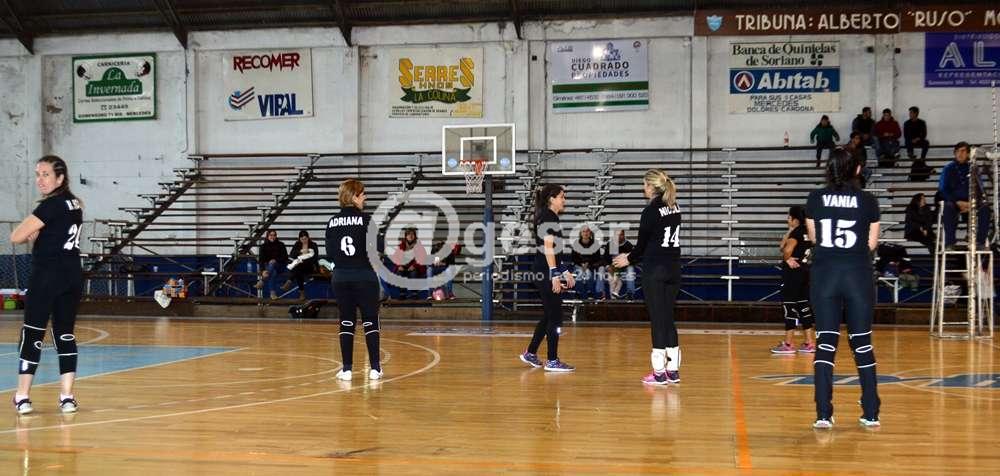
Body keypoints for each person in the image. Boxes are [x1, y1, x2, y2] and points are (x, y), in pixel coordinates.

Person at [805, 148, 881, 429]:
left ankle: (823, 413)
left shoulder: (815, 198)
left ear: (829, 168)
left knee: (825, 344)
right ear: (857, 170)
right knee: (862, 344)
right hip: (857, 276)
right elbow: (871, 244)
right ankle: (871, 412)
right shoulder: (868, 200)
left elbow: (814, 238)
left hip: (825, 276)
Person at [9, 155, 84, 414]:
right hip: (72, 276)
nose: (40, 180)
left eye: (46, 174)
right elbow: (56, 233)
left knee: (33, 333)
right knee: (65, 334)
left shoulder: (50, 206)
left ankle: (22, 396)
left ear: (60, 178)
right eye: (37, 174)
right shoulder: (76, 203)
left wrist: (33, 232)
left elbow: (16, 236)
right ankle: (67, 397)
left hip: (47, 277)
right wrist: (39, 234)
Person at [613, 169, 683, 385]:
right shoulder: (674, 206)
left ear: (652, 187)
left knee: (658, 320)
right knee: (668, 318)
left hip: (656, 270)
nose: (643, 189)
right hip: (674, 269)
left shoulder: (650, 210)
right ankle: (673, 371)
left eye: (644, 185)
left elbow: (641, 246)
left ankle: (659, 372)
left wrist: (628, 259)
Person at [326, 179, 383, 381]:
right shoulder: (367, 220)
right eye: (362, 194)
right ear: (354, 196)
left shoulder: (332, 222)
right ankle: (375, 368)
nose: (365, 197)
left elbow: (330, 253)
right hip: (364, 276)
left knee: (346, 321)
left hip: (340, 277)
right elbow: (380, 247)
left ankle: (347, 369)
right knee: (370, 320)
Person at [519, 184, 576, 372]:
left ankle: (531, 353)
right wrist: (554, 274)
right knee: (555, 316)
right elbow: (548, 247)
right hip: (545, 271)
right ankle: (552, 360)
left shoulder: (549, 216)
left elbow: (556, 251)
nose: (564, 200)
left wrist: (564, 270)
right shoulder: (548, 217)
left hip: (545, 269)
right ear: (552, 199)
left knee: (550, 314)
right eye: (562, 196)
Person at [770, 205, 816, 354]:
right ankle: (809, 343)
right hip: (804, 273)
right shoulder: (807, 232)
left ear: (795, 219)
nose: (787, 219)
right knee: (803, 306)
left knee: (789, 306)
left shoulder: (796, 233)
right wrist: (790, 230)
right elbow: (782, 246)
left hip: (792, 274)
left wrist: (787, 259)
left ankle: (788, 344)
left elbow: (786, 249)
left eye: (789, 217)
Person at [939, 142, 990, 250]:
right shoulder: (948, 168)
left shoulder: (973, 167)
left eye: (963, 151)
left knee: (985, 208)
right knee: (948, 207)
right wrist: (956, 201)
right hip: (954, 202)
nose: (960, 154)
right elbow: (943, 189)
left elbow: (980, 188)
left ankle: (980, 242)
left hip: (972, 201)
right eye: (957, 151)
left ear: (968, 154)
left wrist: (973, 202)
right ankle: (950, 243)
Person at [600, 230, 637, 300]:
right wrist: (608, 266)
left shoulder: (628, 245)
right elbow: (605, 258)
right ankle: (606, 296)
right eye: (617, 235)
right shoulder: (610, 244)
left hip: (625, 266)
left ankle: (630, 293)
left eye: (621, 235)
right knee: (610, 276)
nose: (619, 237)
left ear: (624, 236)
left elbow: (634, 259)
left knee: (630, 269)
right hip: (613, 266)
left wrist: (626, 262)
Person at [392, 228, 427, 299]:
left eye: (412, 234)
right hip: (403, 266)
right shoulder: (401, 245)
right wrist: (399, 266)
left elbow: (422, 258)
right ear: (406, 236)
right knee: (400, 272)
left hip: (415, 267)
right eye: (408, 234)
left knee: (413, 273)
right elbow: (395, 258)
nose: (410, 236)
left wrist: (414, 266)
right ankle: (402, 293)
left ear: (415, 236)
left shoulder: (419, 246)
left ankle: (414, 293)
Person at [570, 226, 604, 300]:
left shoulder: (595, 243)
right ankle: (578, 293)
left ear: (590, 233)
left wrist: (587, 263)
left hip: (590, 265)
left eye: (587, 231)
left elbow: (597, 257)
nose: (585, 233)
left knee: (588, 273)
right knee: (580, 274)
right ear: (581, 233)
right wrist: (581, 264)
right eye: (583, 231)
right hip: (579, 265)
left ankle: (590, 292)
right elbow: (573, 258)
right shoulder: (576, 243)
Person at [286, 230, 320, 300]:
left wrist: (303, 261)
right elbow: (292, 254)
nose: (304, 240)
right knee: (298, 270)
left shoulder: (313, 244)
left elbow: (315, 258)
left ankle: (290, 281)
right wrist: (300, 251)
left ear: (308, 238)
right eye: (302, 239)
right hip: (299, 266)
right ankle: (302, 293)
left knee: (297, 268)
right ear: (299, 239)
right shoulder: (297, 244)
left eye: (305, 239)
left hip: (310, 266)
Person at [255, 230, 288, 300]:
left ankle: (262, 281)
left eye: (274, 235)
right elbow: (261, 260)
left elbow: (285, 257)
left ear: (276, 236)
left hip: (280, 266)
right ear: (267, 236)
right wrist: (263, 270)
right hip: (269, 267)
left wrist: (275, 260)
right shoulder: (263, 246)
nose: (272, 237)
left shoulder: (281, 245)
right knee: (273, 272)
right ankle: (272, 293)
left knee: (272, 264)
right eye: (271, 235)